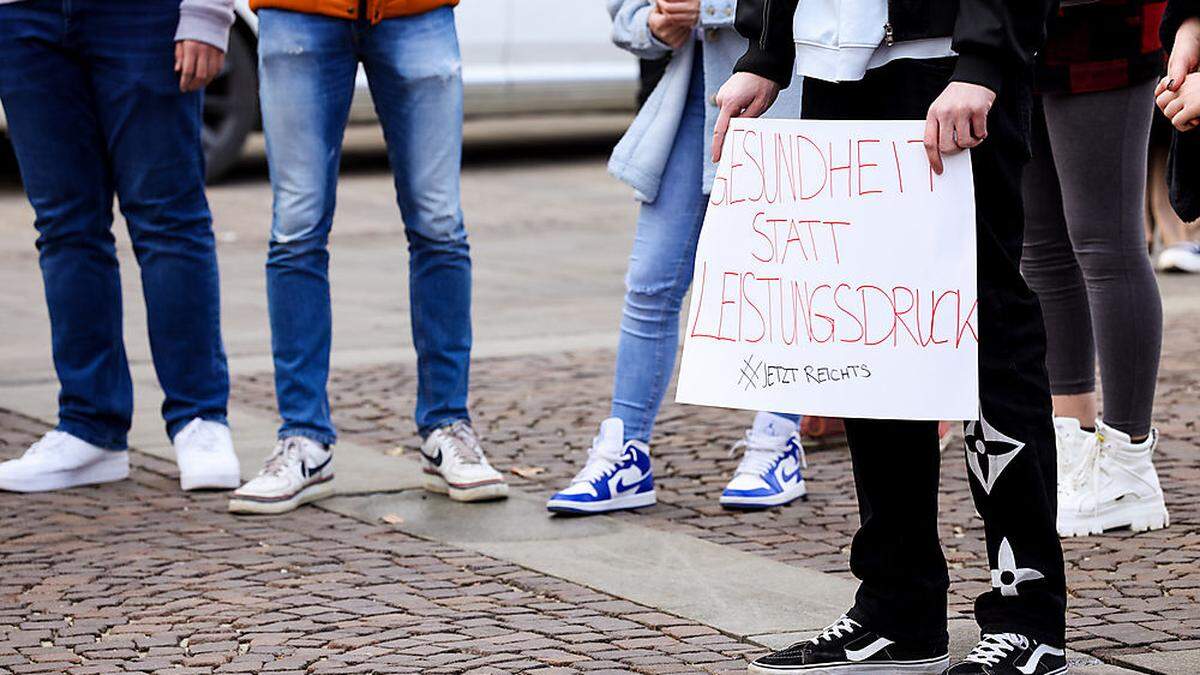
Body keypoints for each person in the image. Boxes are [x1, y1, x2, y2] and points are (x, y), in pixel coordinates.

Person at [714, 0, 1068, 673]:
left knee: (987, 325)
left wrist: (987, 54)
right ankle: (897, 604)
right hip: (837, 59)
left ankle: (1028, 613)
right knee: (869, 330)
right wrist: (766, 46)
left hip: (951, 60)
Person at [227, 0, 507, 515]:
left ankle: (447, 425)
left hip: (415, 9)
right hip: (298, 9)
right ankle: (303, 439)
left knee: (439, 224)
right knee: (295, 230)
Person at [544, 0, 809, 515]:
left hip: (785, 91)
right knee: (650, 281)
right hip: (692, 95)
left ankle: (778, 438)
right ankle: (625, 451)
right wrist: (657, 22)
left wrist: (709, 7)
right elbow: (631, 17)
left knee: (786, 278)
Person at [0, 0, 241, 494]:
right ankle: (90, 428)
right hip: (21, 16)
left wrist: (208, 12)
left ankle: (201, 419)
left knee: (168, 221)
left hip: (143, 14)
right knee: (66, 228)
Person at [1019, 0, 1170, 539]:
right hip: (1019, 30)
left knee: (1106, 244)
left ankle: (1129, 463)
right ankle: (1073, 441)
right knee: (1042, 248)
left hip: (1106, 24)